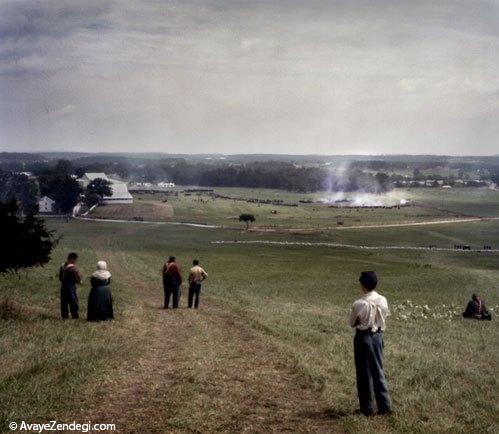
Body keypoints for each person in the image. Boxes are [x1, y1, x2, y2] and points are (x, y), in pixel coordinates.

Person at [349, 271, 392, 416]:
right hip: (378, 336)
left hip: (363, 337)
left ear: (362, 285)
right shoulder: (383, 300)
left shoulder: (358, 304)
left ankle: (366, 408)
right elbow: (384, 315)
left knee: (363, 372)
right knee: (378, 370)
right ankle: (384, 407)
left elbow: (352, 323)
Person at [58, 252, 82, 319]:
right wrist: (79, 281)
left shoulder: (62, 266)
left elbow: (60, 277)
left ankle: (64, 316)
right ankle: (75, 316)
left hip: (63, 286)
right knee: (73, 301)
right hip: (71, 286)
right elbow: (78, 278)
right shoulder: (73, 268)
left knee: (64, 302)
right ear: (73, 259)